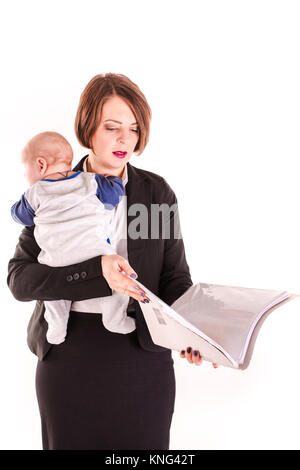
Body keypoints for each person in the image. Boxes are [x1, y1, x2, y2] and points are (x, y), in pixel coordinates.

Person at [7, 73, 211, 451]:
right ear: (88, 129)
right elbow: (20, 280)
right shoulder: (51, 190)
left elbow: (175, 280)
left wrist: (193, 335)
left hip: (142, 357)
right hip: (68, 355)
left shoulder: (154, 194)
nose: (124, 140)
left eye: (134, 129)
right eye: (112, 127)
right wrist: (95, 274)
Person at [11, 131, 141, 345]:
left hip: (56, 261)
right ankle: (114, 318)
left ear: (41, 165)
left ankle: (57, 326)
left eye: (25, 169)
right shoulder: (90, 182)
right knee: (120, 283)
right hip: (95, 251)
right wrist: (114, 182)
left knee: (54, 297)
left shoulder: (34, 193)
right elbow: (112, 196)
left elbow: (20, 215)